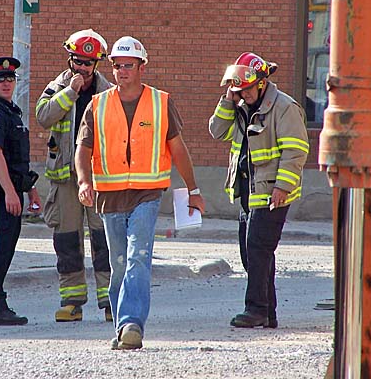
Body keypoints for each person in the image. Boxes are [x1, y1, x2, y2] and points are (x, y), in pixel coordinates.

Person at [75, 36, 205, 350]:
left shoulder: (160, 102)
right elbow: (83, 148)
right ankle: (122, 325)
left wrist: (194, 189)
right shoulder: (98, 104)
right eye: (117, 66)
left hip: (147, 194)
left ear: (142, 67)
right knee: (118, 263)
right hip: (110, 196)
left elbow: (178, 148)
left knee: (138, 257)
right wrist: (83, 181)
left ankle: (132, 324)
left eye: (128, 65)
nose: (122, 71)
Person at [209, 52, 309, 329]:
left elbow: (296, 151)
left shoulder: (284, 107)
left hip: (272, 192)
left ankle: (255, 309)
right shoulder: (239, 105)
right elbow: (217, 131)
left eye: (248, 88)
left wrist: (282, 187)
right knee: (252, 252)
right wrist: (228, 100)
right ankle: (269, 313)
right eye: (239, 89)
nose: (245, 94)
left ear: (262, 83)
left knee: (257, 248)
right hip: (248, 192)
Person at [35, 29, 113, 322]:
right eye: (77, 61)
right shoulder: (58, 85)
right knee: (67, 239)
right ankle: (72, 302)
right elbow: (43, 116)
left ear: (97, 64)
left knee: (103, 238)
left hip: (98, 178)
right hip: (65, 177)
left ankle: (109, 301)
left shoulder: (108, 91)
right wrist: (70, 92)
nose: (81, 68)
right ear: (70, 59)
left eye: (87, 63)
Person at [0, 56, 42, 325]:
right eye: (0, 79)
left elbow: (17, 160)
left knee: (5, 249)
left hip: (12, 190)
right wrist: (10, 193)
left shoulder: (10, 113)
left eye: (10, 78)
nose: (6, 83)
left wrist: (31, 189)